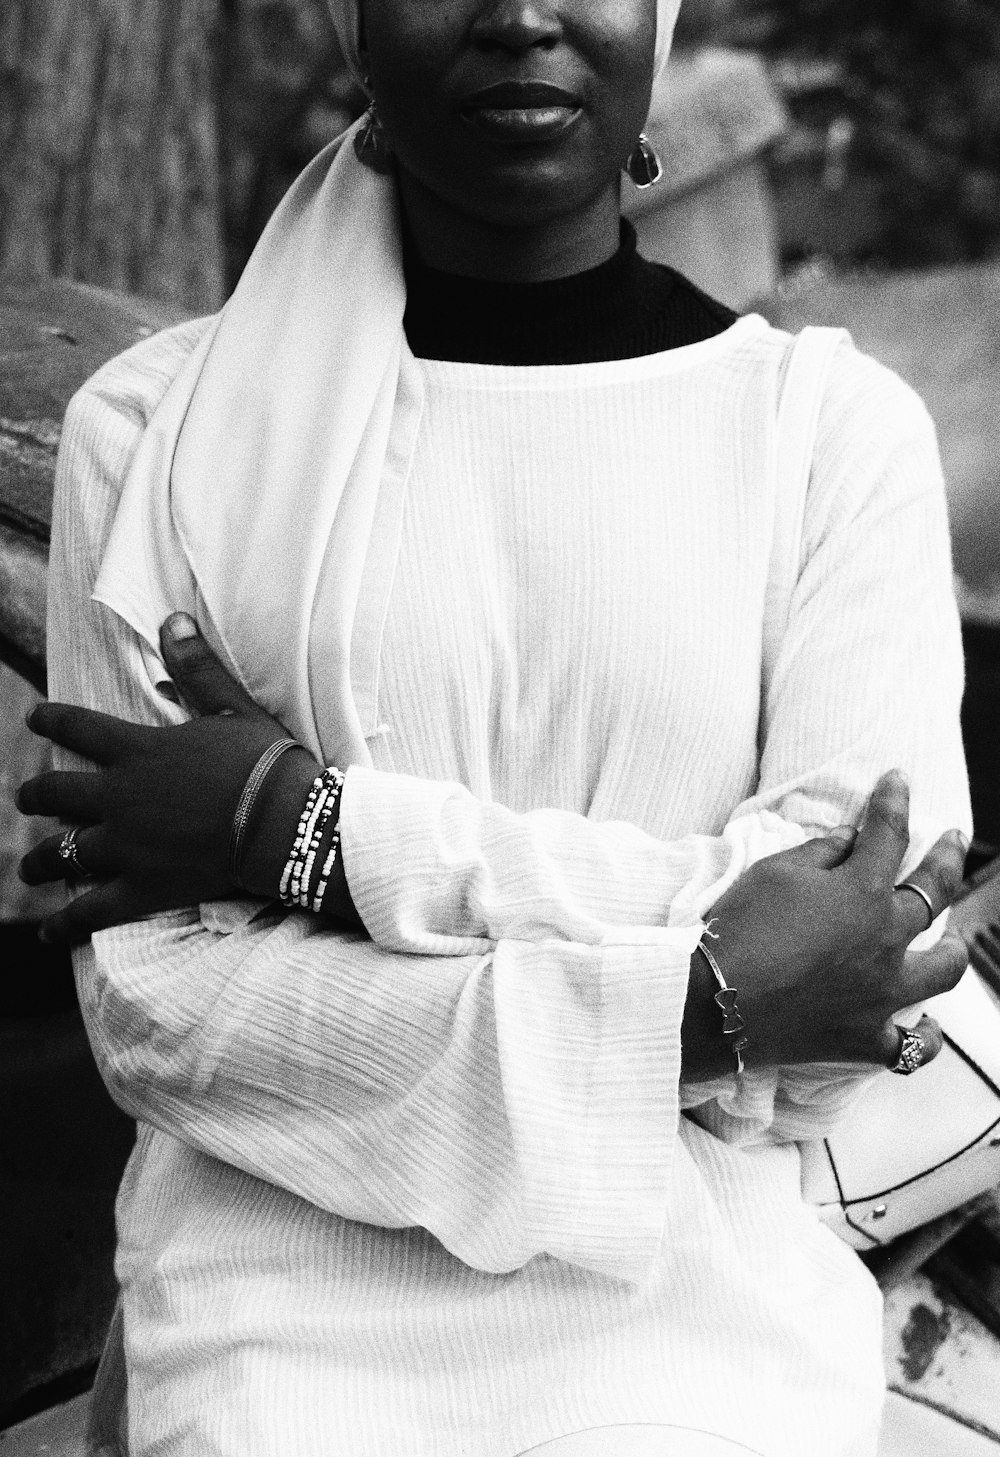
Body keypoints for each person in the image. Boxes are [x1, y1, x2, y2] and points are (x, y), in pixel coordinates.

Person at [16, 0, 971, 1452]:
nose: (521, 14)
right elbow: (168, 1016)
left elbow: (860, 960)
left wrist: (313, 834)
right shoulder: (160, 444)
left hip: (706, 1319)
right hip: (276, 1320)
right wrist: (701, 1003)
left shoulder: (828, 442)